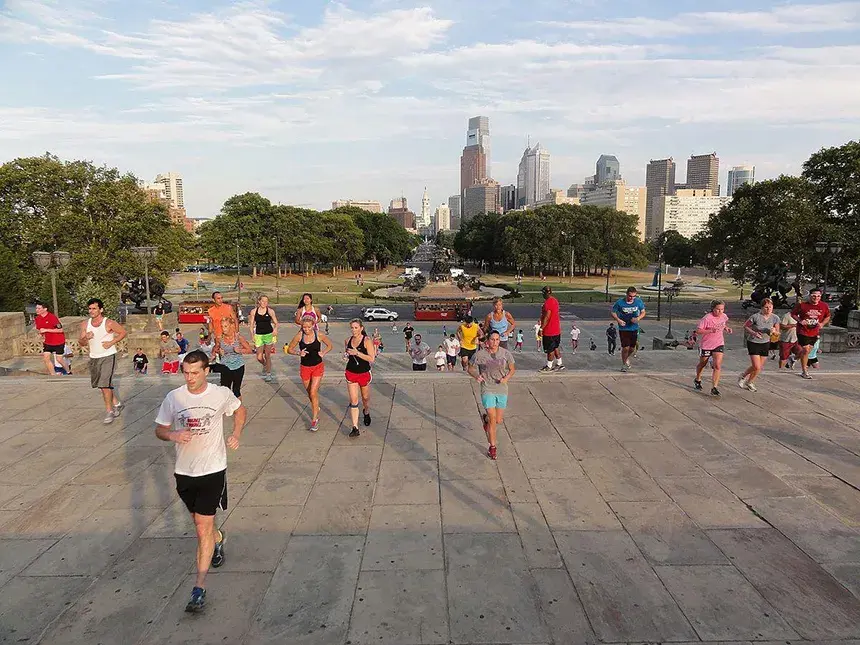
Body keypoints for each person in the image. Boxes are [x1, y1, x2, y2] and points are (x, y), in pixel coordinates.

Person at [154, 350, 247, 613]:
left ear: (207, 371)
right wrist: (172, 435)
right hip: (184, 473)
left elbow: (240, 411)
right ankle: (218, 538)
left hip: (213, 469)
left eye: (195, 372)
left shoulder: (220, 394)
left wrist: (236, 433)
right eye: (186, 372)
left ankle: (199, 587)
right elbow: (160, 429)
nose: (190, 377)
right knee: (200, 521)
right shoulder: (174, 398)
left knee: (200, 528)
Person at [468, 329, 516, 461]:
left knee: (498, 420)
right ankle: (492, 447)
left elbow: (512, 369)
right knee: (493, 418)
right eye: (492, 340)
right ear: (487, 341)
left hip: (501, 388)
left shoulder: (505, 354)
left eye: (497, 340)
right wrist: (476, 376)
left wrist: (506, 378)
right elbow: (470, 367)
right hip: (487, 387)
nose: (495, 342)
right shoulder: (480, 355)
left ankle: (486, 421)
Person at [78, 298, 127, 424]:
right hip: (94, 357)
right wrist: (86, 337)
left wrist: (112, 342)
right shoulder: (85, 324)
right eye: (90, 309)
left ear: (101, 309)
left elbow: (123, 332)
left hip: (108, 356)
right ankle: (117, 403)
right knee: (102, 385)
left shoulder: (109, 323)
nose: (91, 311)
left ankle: (109, 411)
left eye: (94, 308)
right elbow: (81, 343)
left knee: (104, 384)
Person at [287, 315, 333, 431]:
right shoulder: (299, 336)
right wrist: (298, 353)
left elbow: (330, 345)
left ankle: (314, 420)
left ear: (313, 326)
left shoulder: (319, 335)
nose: (306, 329)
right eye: (304, 327)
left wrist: (323, 352)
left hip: (317, 366)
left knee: (313, 392)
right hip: (305, 368)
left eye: (308, 327)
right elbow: (289, 349)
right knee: (310, 393)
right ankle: (316, 407)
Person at [738, 297, 781, 392]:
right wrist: (754, 333)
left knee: (759, 367)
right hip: (754, 342)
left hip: (765, 342)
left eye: (770, 307)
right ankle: (743, 376)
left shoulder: (775, 318)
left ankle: (750, 382)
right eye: (766, 307)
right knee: (756, 366)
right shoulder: (755, 317)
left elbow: (777, 332)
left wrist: (774, 332)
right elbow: (746, 326)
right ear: (762, 308)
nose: (768, 309)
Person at [345, 319, 376, 438]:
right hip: (351, 372)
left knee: (365, 398)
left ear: (361, 328)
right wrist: (346, 355)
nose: (353, 330)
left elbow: (371, 358)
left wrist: (357, 353)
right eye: (352, 328)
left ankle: (366, 411)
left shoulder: (367, 341)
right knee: (354, 400)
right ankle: (355, 427)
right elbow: (347, 354)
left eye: (356, 328)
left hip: (363, 373)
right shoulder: (347, 340)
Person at [694, 300, 732, 396]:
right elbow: (698, 331)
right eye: (718, 309)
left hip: (719, 343)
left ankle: (714, 387)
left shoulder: (724, 316)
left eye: (722, 309)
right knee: (703, 364)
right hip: (706, 345)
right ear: (713, 309)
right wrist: (710, 330)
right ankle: (697, 379)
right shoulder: (707, 318)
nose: (720, 311)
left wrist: (726, 328)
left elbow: (723, 324)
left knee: (717, 365)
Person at [791, 288, 831, 379]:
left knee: (808, 351)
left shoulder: (824, 306)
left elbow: (828, 316)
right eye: (814, 296)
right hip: (803, 330)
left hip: (815, 331)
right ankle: (804, 371)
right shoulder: (802, 305)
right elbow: (793, 314)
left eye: (818, 296)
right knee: (806, 350)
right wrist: (800, 320)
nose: (816, 298)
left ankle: (794, 358)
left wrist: (822, 324)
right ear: (809, 296)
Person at [212, 317, 253, 399]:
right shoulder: (219, 338)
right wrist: (219, 351)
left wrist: (239, 350)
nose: (223, 329)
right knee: (225, 390)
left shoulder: (238, 338)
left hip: (238, 366)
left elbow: (249, 350)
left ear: (231, 326)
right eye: (222, 326)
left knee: (236, 390)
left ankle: (238, 407)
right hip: (225, 366)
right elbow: (214, 350)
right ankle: (227, 406)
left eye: (225, 326)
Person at [611, 287, 646, 372]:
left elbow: (643, 312)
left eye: (634, 296)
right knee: (625, 347)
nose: (632, 298)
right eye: (630, 296)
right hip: (624, 328)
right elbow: (613, 312)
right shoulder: (620, 302)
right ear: (626, 294)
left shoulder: (638, 302)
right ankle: (624, 365)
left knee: (632, 349)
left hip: (634, 327)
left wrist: (638, 318)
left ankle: (626, 358)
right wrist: (618, 320)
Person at [34, 301, 69, 376]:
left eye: (39, 308)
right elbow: (41, 330)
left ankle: (68, 371)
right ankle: (53, 375)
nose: (37, 310)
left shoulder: (52, 317)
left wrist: (46, 330)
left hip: (58, 341)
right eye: (36, 308)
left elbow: (60, 330)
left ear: (45, 309)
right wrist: (40, 335)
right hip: (48, 342)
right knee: (46, 358)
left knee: (59, 359)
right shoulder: (37, 318)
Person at [251, 294, 279, 382]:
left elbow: (276, 323)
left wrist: (275, 329)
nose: (264, 303)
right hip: (258, 335)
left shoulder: (270, 311)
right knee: (259, 357)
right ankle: (265, 365)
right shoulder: (254, 311)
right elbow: (251, 325)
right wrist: (252, 335)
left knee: (267, 355)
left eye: (266, 301)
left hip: (269, 334)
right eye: (263, 301)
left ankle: (268, 373)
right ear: (259, 301)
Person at [538, 286, 563, 373]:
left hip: (549, 331)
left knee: (550, 349)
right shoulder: (555, 300)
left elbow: (547, 316)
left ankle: (549, 366)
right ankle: (559, 363)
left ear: (545, 293)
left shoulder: (548, 303)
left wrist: (541, 328)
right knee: (555, 347)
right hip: (556, 330)